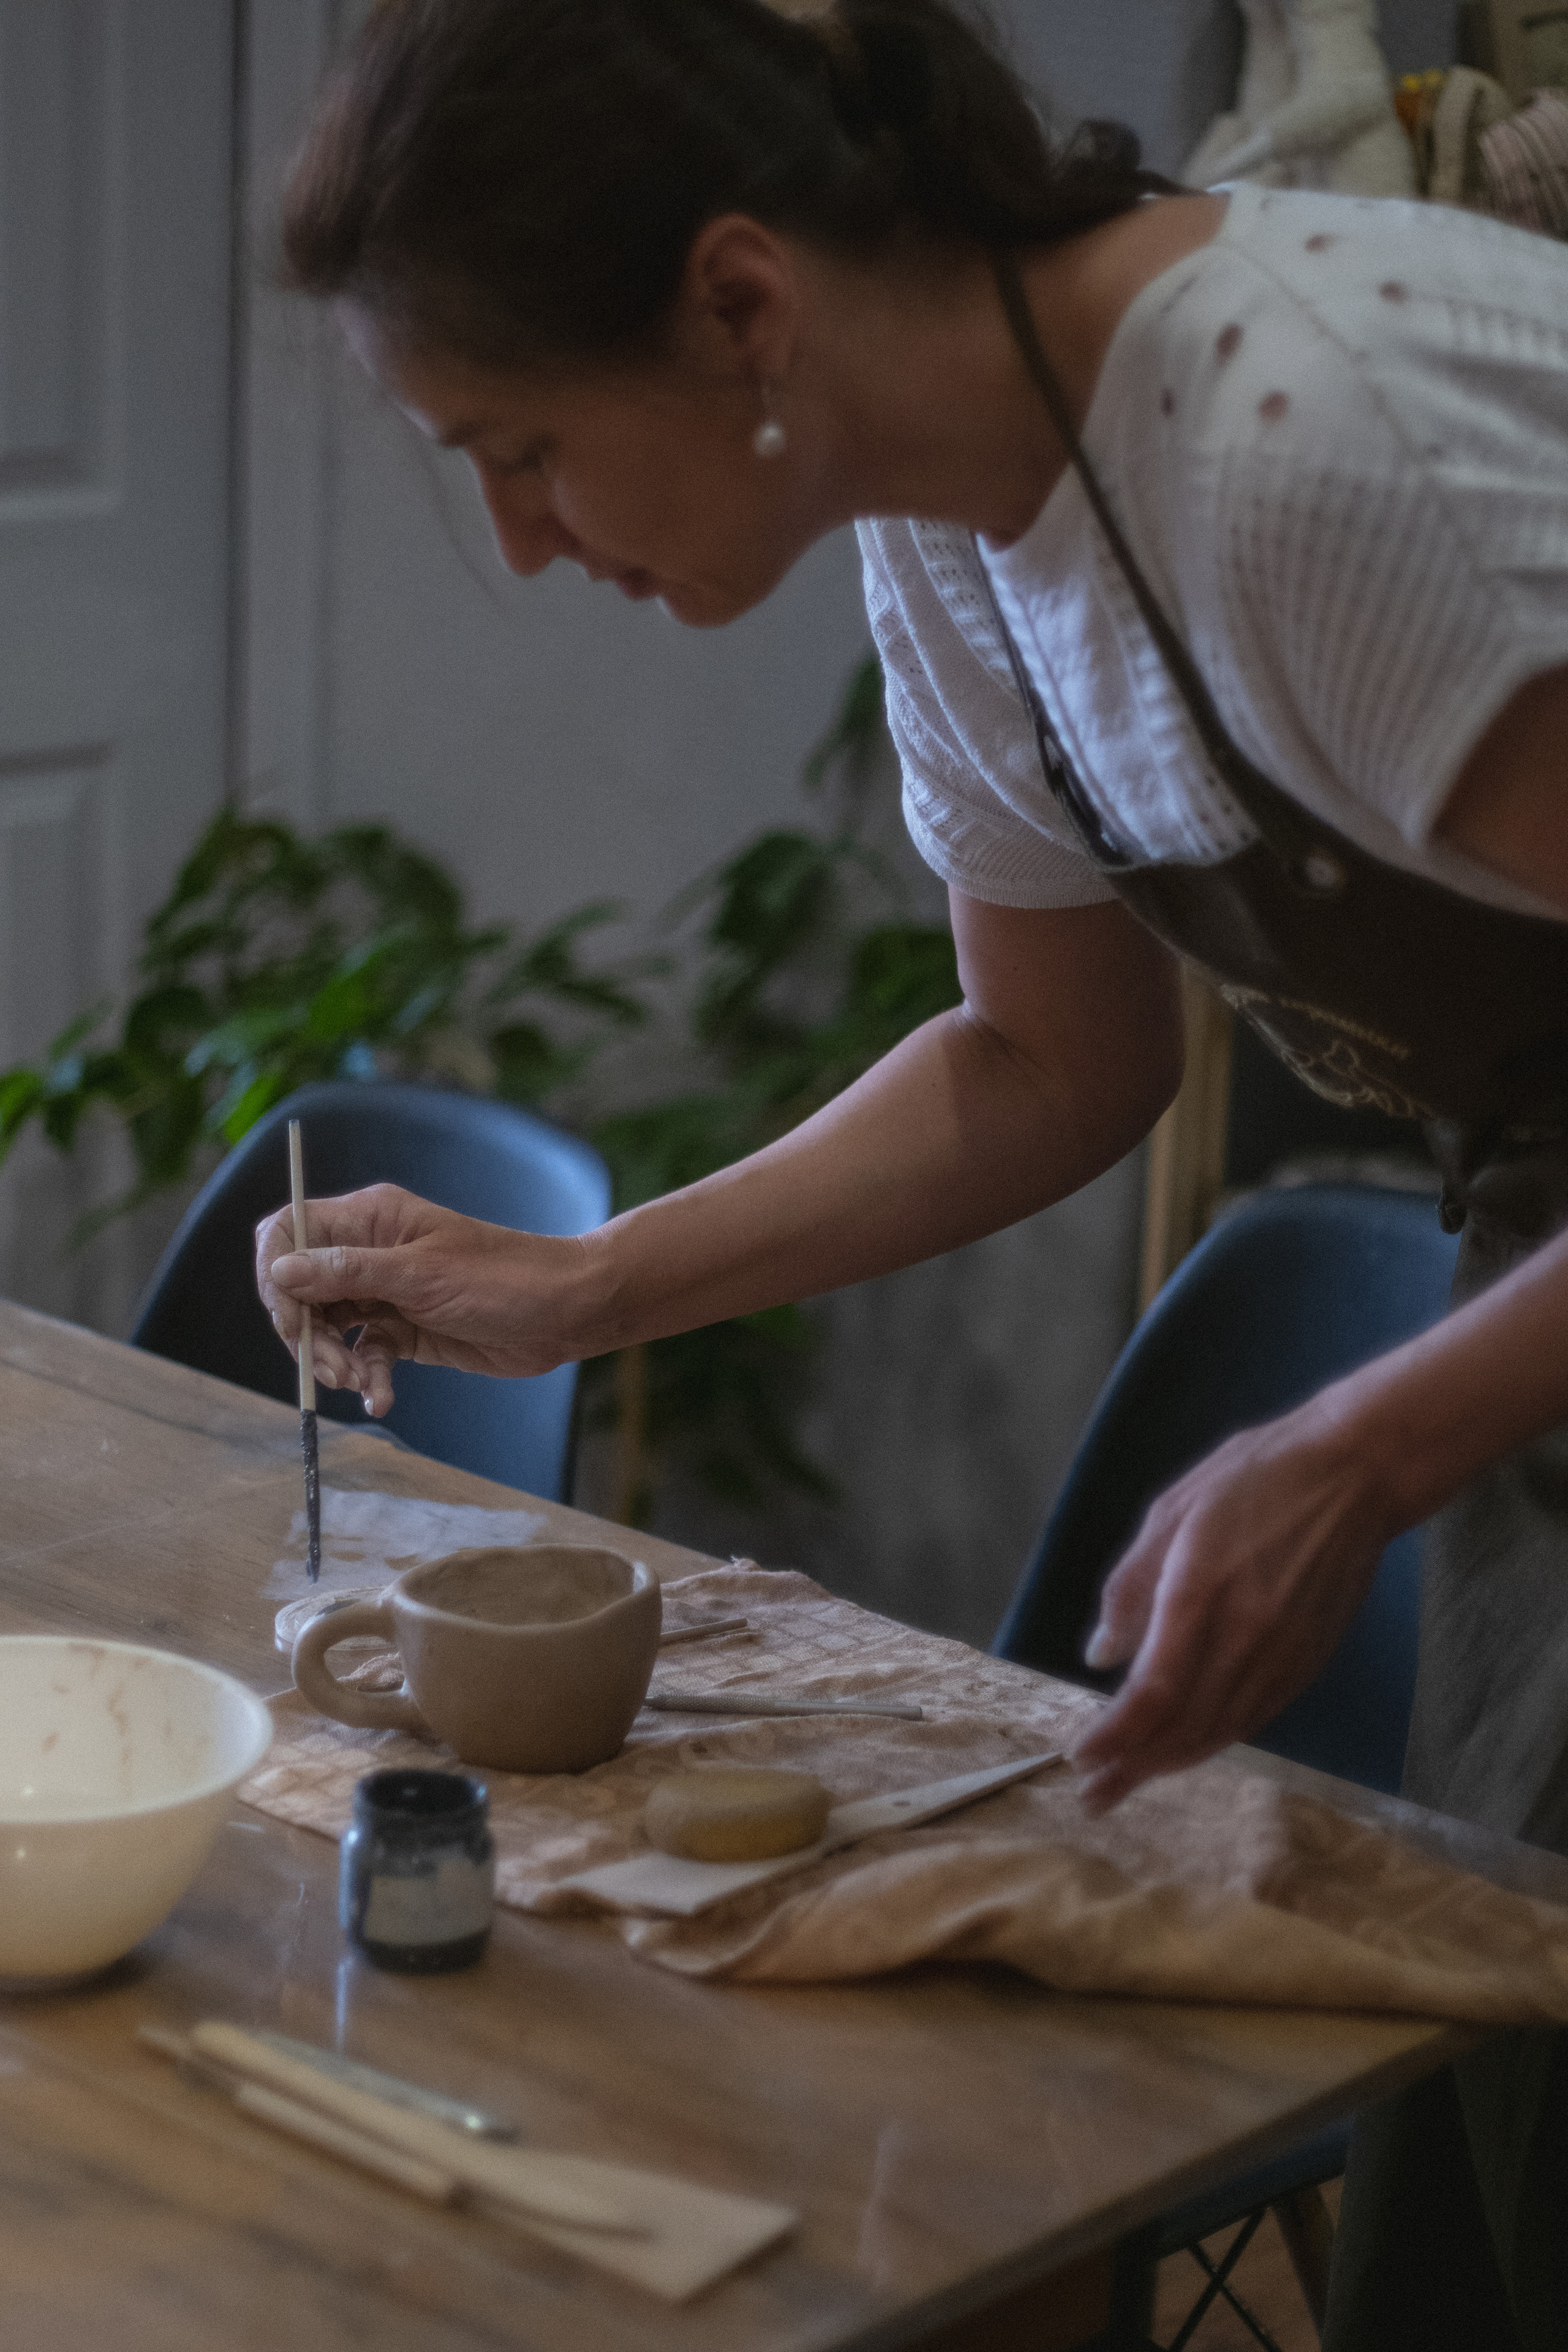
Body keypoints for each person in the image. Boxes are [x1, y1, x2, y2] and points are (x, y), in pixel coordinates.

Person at [257, 4, 1568, 2340]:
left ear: (741, 302)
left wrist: (1363, 1448)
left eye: (525, 450)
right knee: (1485, 2150)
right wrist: (579, 1286)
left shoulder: (1295, 437)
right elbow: (1047, 1057)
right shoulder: (964, 543)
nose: (526, 543)